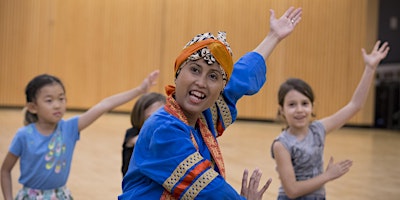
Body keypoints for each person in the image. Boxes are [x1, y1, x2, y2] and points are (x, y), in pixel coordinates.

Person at [119, 6, 303, 200]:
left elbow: (239, 78)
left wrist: (273, 37)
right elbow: (205, 186)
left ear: (219, 88)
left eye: (213, 76)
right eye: (195, 70)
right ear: (178, 72)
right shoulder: (163, 128)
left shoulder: (201, 120)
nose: (201, 83)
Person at [0, 70, 160, 200]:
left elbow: (104, 105)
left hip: (60, 196)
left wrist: (140, 90)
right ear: (33, 107)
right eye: (49, 100)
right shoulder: (23, 135)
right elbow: (5, 170)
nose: (57, 105)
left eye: (61, 98)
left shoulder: (69, 128)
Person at [271, 40, 390, 200]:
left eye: (305, 104)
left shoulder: (318, 129)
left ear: (312, 106)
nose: (299, 109)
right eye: (292, 105)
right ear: (282, 110)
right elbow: (292, 190)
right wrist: (328, 176)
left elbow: (355, 105)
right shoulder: (281, 144)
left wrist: (370, 68)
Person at [122, 92, 166, 176]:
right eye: (151, 117)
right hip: (136, 183)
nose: (157, 121)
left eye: (162, 116)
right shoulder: (133, 134)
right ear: (140, 116)